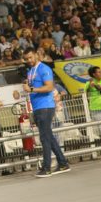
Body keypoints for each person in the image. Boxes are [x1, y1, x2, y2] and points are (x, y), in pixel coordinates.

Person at [22, 48, 70, 177]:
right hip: (37, 107)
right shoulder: (31, 71)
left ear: (36, 55)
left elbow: (49, 87)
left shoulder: (44, 69)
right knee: (49, 136)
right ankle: (63, 163)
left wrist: (31, 88)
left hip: (46, 107)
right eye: (26, 59)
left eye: (31, 57)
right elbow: (31, 88)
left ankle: (46, 167)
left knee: (44, 138)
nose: (29, 61)